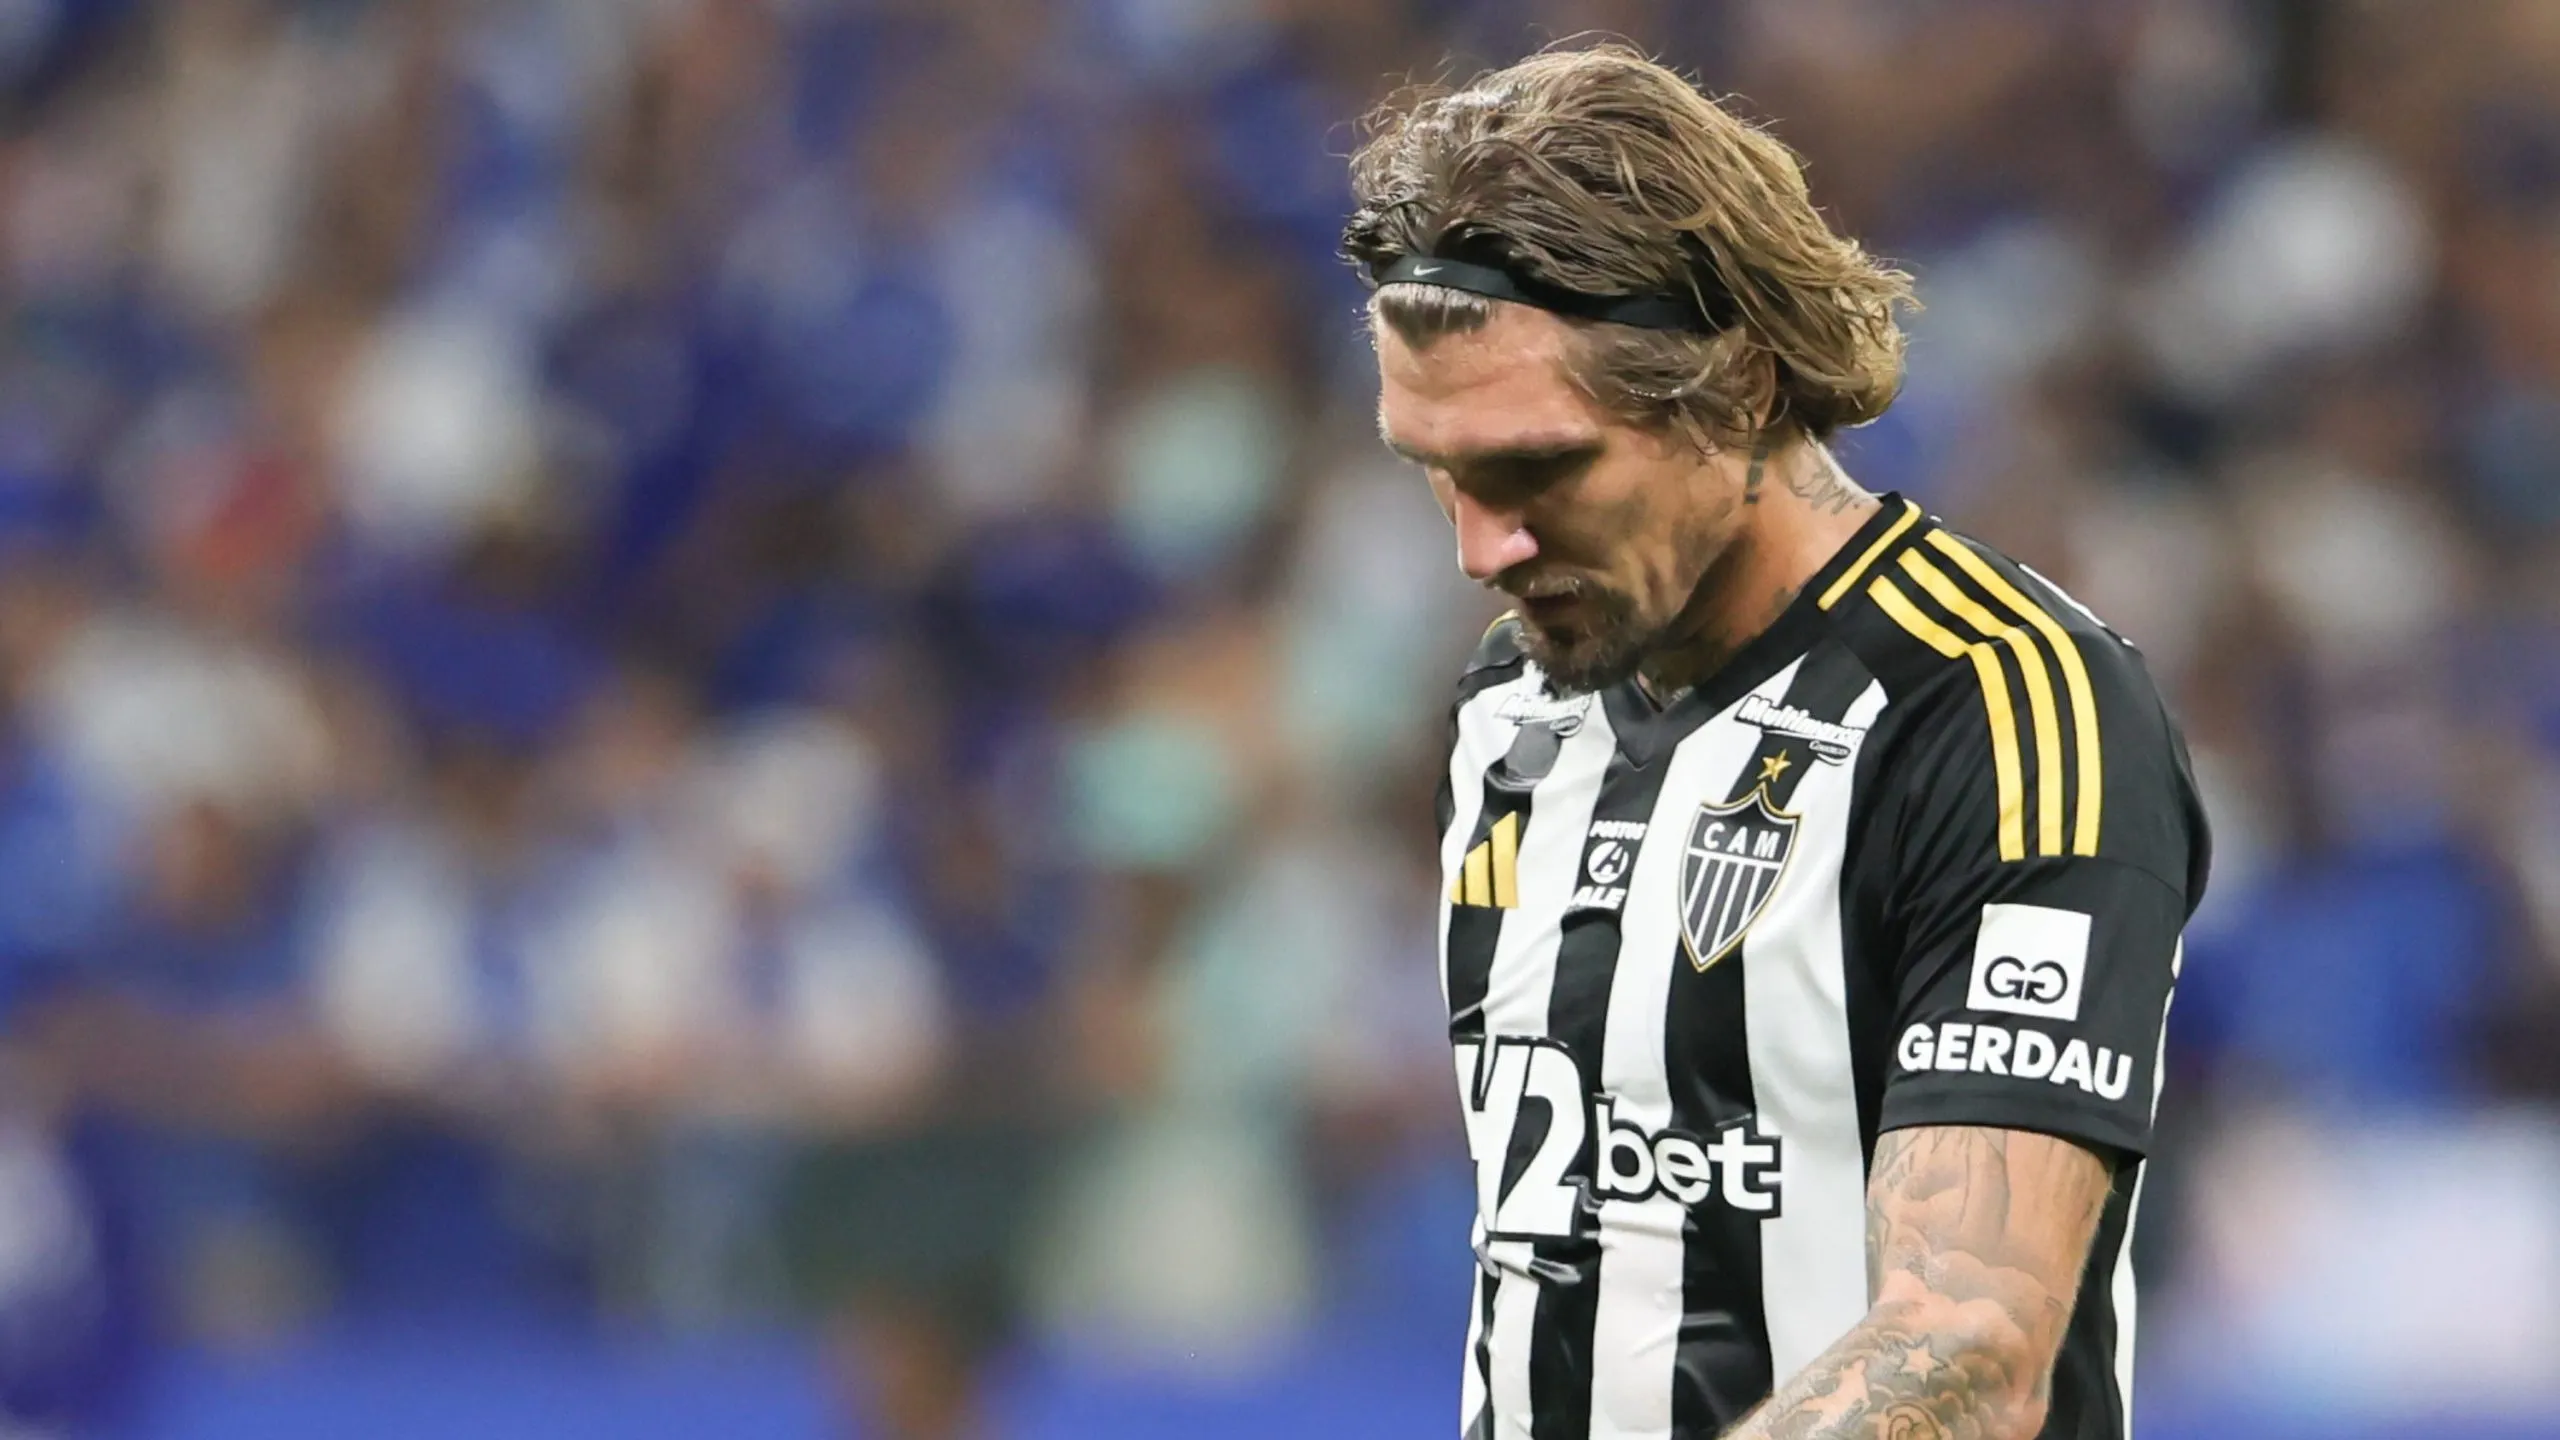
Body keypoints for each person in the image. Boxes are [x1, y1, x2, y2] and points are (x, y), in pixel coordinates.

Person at [1341, 46, 2209, 1440]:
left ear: (1738, 388)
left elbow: (1970, 1348)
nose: (1478, 548)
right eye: (1437, 473)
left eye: (1539, 469)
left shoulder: (2001, 706)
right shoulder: (1510, 709)